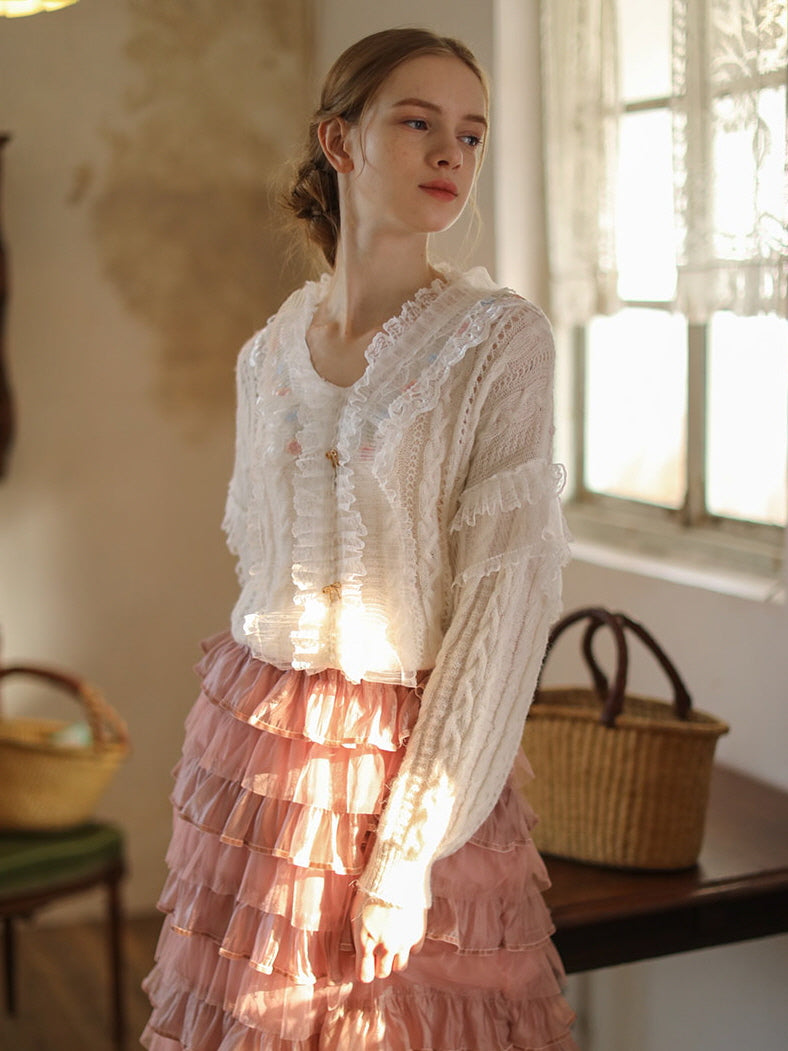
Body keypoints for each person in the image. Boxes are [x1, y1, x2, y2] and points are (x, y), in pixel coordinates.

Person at [142, 26, 577, 1051]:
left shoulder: (497, 342)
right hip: (256, 747)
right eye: (416, 122)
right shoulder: (268, 354)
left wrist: (408, 853)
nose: (449, 157)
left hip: (411, 764)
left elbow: (502, 612)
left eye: (469, 136)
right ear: (337, 142)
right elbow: (259, 567)